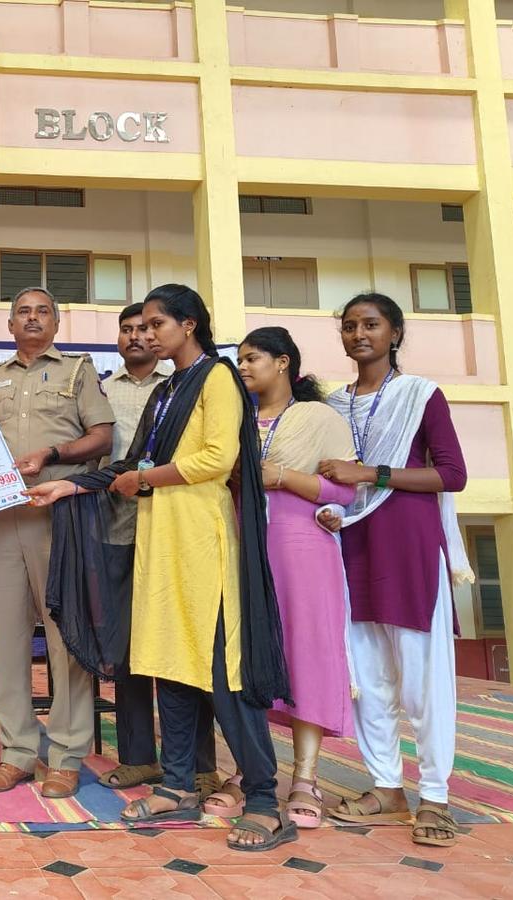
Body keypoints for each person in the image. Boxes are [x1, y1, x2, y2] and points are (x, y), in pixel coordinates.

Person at [26, 284, 294, 851]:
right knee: (169, 666)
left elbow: (216, 458)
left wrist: (144, 480)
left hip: (204, 545)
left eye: (155, 324)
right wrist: (67, 486)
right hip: (161, 545)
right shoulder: (168, 389)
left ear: (189, 324)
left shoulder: (217, 378)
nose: (145, 334)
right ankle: (176, 787)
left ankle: (267, 801)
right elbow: (130, 462)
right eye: (141, 325)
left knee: (225, 675)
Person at [316, 293, 469, 848]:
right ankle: (386, 788)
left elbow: (452, 475)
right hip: (351, 544)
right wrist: (331, 505)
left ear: (395, 333)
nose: (359, 333)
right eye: (350, 325)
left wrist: (372, 472)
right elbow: (329, 477)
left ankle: (435, 795)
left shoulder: (420, 395)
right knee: (367, 678)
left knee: (423, 677)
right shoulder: (332, 405)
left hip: (408, 545)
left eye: (372, 324)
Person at [0, 286, 115, 799]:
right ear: (10, 325)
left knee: (64, 637)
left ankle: (65, 754)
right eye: (23, 312)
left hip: (60, 517)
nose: (32, 319)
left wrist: (51, 453)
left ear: (56, 323)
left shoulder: (77, 371)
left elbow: (102, 436)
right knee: (8, 638)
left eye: (42, 312)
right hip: (0, 516)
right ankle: (16, 752)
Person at [221, 326, 357, 828]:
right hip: (242, 547)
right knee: (245, 655)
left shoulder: (318, 417)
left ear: (283, 363)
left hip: (303, 548)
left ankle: (305, 777)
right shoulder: (235, 419)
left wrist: (280, 477)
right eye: (240, 360)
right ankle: (249, 770)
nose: (244, 367)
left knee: (307, 656)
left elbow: (343, 494)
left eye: (253, 358)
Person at [98, 303, 220, 797]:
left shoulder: (184, 389)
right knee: (127, 652)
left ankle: (201, 764)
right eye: (127, 330)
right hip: (117, 530)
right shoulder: (102, 390)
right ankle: (138, 758)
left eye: (147, 328)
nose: (137, 337)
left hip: (176, 534)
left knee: (188, 648)